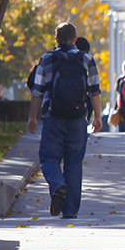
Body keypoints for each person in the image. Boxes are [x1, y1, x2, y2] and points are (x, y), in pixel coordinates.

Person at [26, 23, 102, 219]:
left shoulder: (48, 59)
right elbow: (94, 90)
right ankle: (70, 211)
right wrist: (98, 117)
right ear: (75, 39)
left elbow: (37, 90)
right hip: (78, 119)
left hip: (53, 118)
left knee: (49, 158)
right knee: (74, 163)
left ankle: (57, 183)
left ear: (56, 39)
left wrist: (32, 117)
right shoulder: (87, 59)